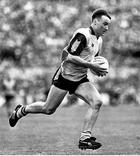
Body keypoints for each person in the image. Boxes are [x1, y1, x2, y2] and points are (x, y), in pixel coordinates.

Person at [9, 8, 111, 150]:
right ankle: (21, 111)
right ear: (95, 21)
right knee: (48, 109)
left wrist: (96, 69)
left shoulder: (99, 40)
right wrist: (91, 65)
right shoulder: (83, 35)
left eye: (108, 25)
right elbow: (67, 56)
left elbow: (92, 60)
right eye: (105, 24)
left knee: (97, 101)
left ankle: (85, 138)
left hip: (80, 79)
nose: (107, 28)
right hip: (65, 77)